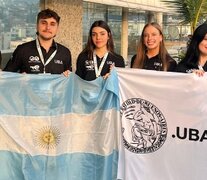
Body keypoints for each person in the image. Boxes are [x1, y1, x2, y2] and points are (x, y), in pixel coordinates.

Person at [4, 9, 72, 76]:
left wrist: (68, 76)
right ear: (37, 26)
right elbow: (7, 77)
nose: (48, 27)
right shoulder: (22, 50)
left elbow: (69, 80)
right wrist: (19, 80)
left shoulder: (65, 52)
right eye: (43, 23)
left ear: (57, 28)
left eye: (52, 24)